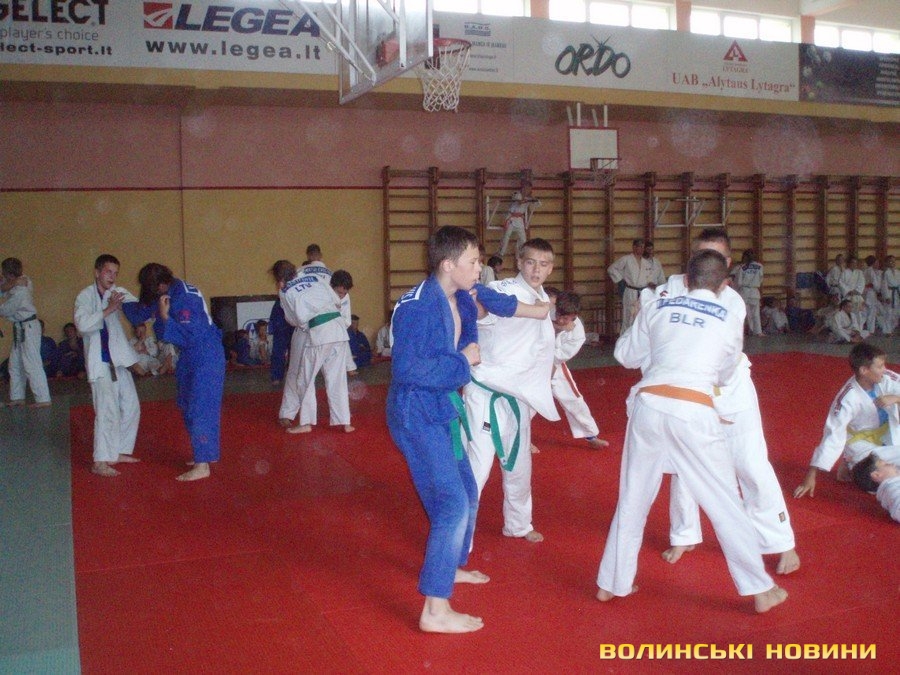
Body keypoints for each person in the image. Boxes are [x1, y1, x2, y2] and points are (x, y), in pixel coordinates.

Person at [597, 249, 787, 613]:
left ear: (685, 279)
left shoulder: (656, 305)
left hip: (649, 406)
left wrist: (641, 325)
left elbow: (625, 356)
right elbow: (725, 375)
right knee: (724, 502)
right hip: (693, 408)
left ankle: (611, 583)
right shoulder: (728, 316)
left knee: (633, 498)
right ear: (724, 285)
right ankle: (760, 589)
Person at [386, 225, 542, 634]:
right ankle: (434, 610)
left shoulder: (461, 297)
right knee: (452, 503)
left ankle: (450, 565)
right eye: (473, 262)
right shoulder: (417, 308)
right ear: (447, 264)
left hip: (441, 406)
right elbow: (407, 371)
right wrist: (464, 361)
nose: (479, 269)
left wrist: (537, 311)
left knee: (467, 491)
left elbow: (486, 319)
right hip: (415, 412)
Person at [640, 228, 799, 577]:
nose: (707, 261)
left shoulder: (733, 301)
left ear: (726, 264)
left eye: (715, 256)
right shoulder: (670, 290)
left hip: (730, 391)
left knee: (751, 466)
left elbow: (724, 359)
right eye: (700, 255)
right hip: (687, 392)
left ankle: (779, 540)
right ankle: (684, 534)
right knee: (684, 466)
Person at [465, 238, 559, 544]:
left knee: (519, 467)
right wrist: (474, 304)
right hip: (486, 391)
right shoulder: (503, 290)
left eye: (543, 264)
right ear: (519, 262)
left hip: (519, 395)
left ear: (551, 268)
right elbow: (482, 312)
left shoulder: (543, 298)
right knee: (478, 466)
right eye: (530, 262)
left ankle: (518, 524)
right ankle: (457, 537)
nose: (536, 269)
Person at [129, 263, 226, 481]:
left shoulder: (184, 297)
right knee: (187, 404)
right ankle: (205, 454)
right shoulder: (169, 292)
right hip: (190, 356)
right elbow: (145, 315)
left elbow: (188, 335)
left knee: (201, 407)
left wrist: (165, 318)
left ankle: (202, 465)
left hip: (205, 354)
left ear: (160, 285)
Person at [794, 342, 900, 501]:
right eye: (880, 366)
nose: (884, 369)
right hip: (863, 447)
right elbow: (833, 435)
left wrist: (897, 398)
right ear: (864, 370)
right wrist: (811, 475)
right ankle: (854, 464)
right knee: (879, 477)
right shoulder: (847, 397)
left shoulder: (886, 378)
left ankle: (853, 465)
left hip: (890, 434)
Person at [74, 254, 142, 477]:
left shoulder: (117, 293)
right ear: (97, 272)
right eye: (108, 272)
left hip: (118, 360)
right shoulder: (85, 296)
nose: (112, 277)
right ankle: (100, 461)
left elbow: (137, 309)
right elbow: (82, 325)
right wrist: (109, 309)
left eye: (115, 273)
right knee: (106, 411)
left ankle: (117, 451)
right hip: (100, 362)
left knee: (131, 405)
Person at [277, 256, 353, 435]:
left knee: (304, 379)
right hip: (339, 329)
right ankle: (344, 422)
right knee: (337, 379)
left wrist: (307, 320)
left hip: (319, 332)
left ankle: (306, 422)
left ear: (280, 280)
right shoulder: (317, 278)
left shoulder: (286, 290)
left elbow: (293, 319)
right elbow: (337, 301)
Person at [548, 289, 608, 449]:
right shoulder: (545, 311)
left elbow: (560, 355)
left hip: (554, 364)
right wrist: (557, 327)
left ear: (575, 316)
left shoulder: (578, 332)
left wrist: (549, 371)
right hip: (530, 361)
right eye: (559, 315)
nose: (561, 320)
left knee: (573, 399)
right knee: (526, 402)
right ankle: (519, 439)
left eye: (566, 318)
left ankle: (590, 435)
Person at [0, 258, 51, 407]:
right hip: (20, 326)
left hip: (28, 327)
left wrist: (9, 285)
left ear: (10, 275)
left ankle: (43, 399)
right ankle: (17, 397)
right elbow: (4, 287)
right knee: (15, 364)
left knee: (32, 363)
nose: (2, 276)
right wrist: (10, 283)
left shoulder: (21, 290)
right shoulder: (22, 280)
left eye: (4, 273)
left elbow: (5, 310)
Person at [606, 238, 655, 334]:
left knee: (641, 316)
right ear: (634, 247)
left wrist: (651, 285)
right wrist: (620, 280)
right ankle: (624, 339)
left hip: (643, 292)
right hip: (630, 291)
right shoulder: (626, 259)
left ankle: (638, 339)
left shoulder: (646, 262)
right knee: (628, 316)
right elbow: (611, 269)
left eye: (643, 247)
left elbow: (649, 277)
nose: (642, 249)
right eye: (639, 247)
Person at [851, 453, 900, 522]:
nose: (893, 464)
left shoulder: (891, 488)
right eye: (887, 464)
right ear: (876, 475)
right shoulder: (892, 489)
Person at [497, 186, 540, 257]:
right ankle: (501, 253)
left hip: (519, 220)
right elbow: (519, 202)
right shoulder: (517, 194)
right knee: (506, 236)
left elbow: (538, 203)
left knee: (523, 239)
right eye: (526, 189)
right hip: (511, 219)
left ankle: (521, 254)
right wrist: (528, 200)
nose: (527, 190)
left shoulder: (528, 198)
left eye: (529, 189)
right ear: (523, 189)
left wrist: (533, 199)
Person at [732, 249, 764, 336]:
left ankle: (747, 330)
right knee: (756, 313)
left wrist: (736, 290)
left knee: (744, 312)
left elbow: (738, 281)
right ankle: (758, 332)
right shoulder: (760, 266)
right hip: (754, 291)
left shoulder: (742, 267)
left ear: (745, 257)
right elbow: (761, 279)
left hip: (744, 291)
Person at [268, 293, 291, 386]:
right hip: (281, 313)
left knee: (296, 350)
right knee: (278, 350)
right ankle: (276, 376)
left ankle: (293, 375)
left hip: (294, 309)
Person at [882, 255, 898, 335]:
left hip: (897, 294)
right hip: (889, 293)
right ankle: (887, 331)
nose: (892, 262)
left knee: (896, 313)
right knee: (888, 312)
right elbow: (884, 285)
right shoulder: (885, 272)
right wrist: (887, 297)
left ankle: (892, 328)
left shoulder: (898, 272)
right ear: (887, 263)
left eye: (894, 261)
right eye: (890, 261)